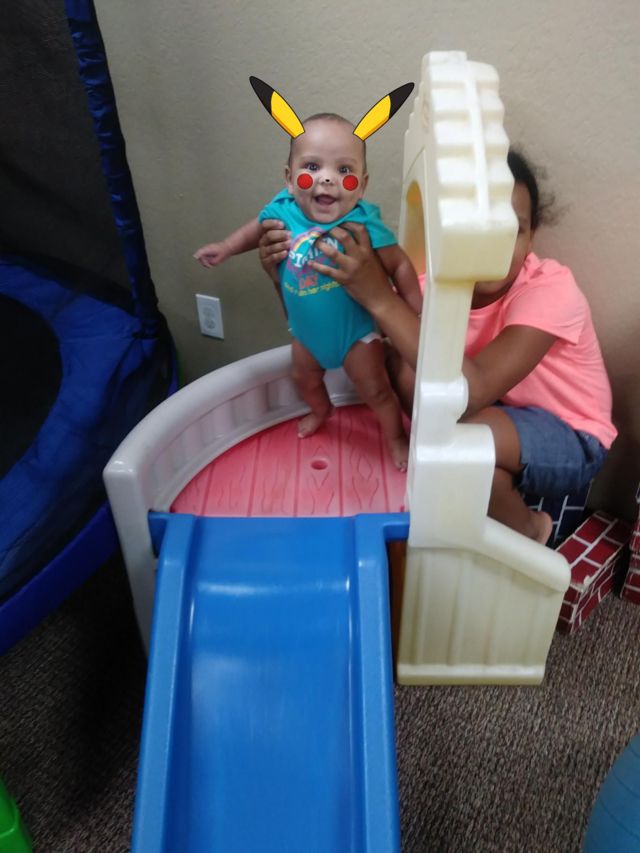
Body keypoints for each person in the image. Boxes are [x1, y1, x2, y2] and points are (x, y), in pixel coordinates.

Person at [258, 149, 616, 544]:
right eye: (480, 230)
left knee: (450, 441)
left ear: (531, 236)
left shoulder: (550, 289)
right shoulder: (435, 288)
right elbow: (326, 328)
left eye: (512, 231)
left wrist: (381, 299)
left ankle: (534, 530)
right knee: (395, 360)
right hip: (498, 412)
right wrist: (285, 275)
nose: (495, 248)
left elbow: (473, 389)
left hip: (571, 434)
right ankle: (495, 501)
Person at [194, 113, 422, 470]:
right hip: (306, 335)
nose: (327, 178)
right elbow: (256, 230)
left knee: (376, 390)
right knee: (304, 378)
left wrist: (415, 308)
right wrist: (226, 247)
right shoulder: (282, 211)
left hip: (355, 335)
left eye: (344, 170)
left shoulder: (362, 224)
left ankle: (395, 438)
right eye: (312, 166)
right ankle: (322, 410)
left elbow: (400, 264)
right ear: (289, 179)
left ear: (361, 186)